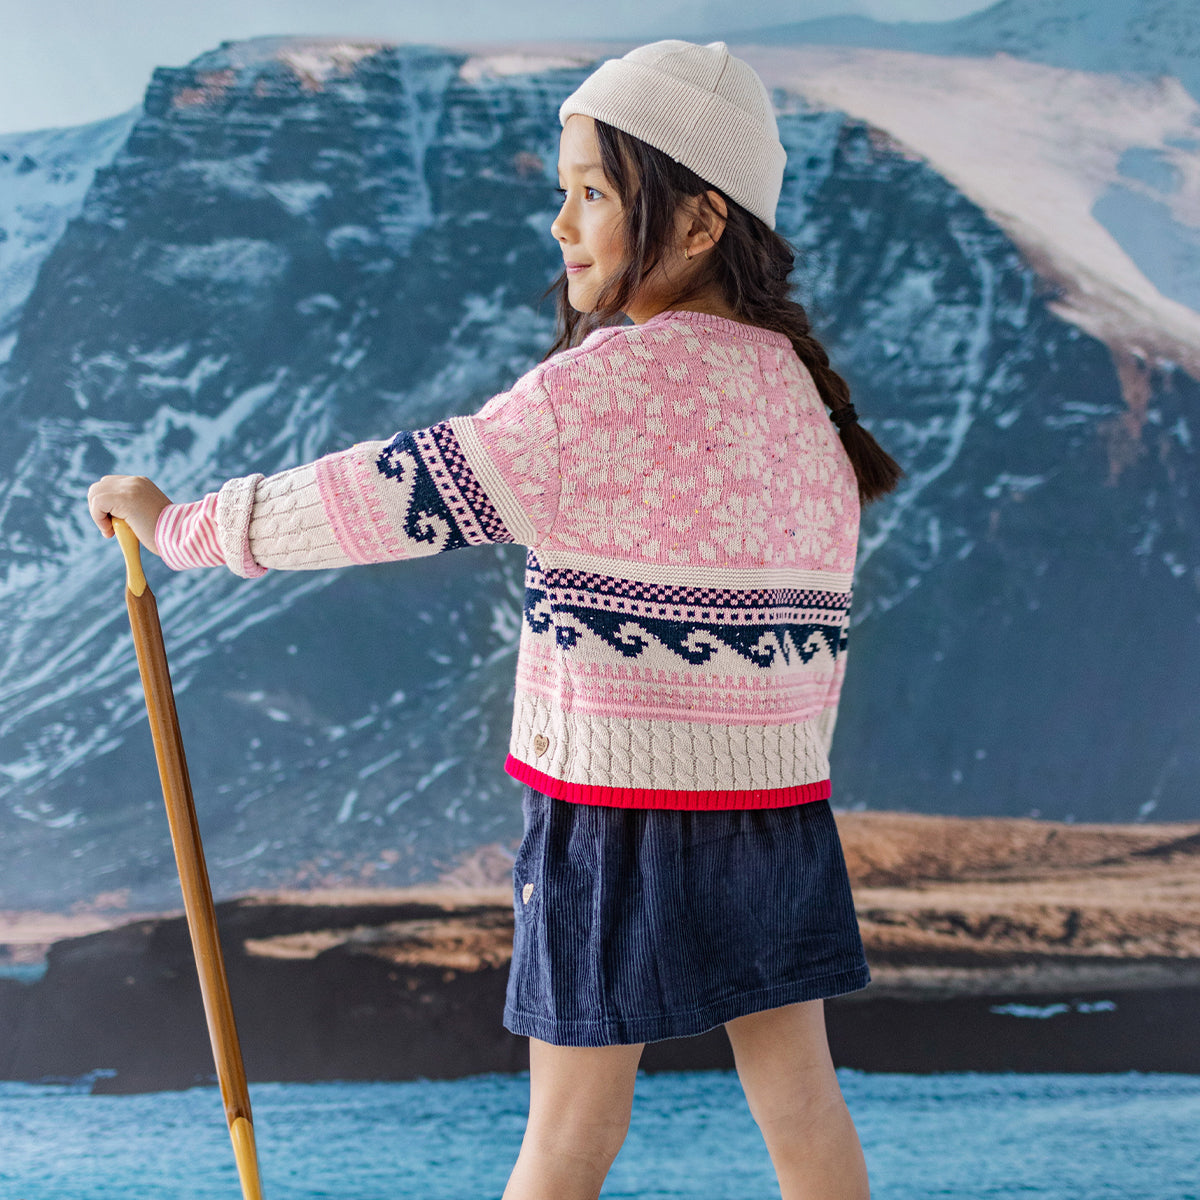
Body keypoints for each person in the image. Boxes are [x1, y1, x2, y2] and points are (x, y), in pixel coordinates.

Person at [88, 39, 901, 1200]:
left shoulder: (602, 390)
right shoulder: (809, 405)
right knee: (807, 1117)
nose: (561, 225)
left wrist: (182, 528)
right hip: (773, 815)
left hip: (612, 812)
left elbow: (387, 495)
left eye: (592, 193)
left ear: (702, 220)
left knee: (570, 1140)